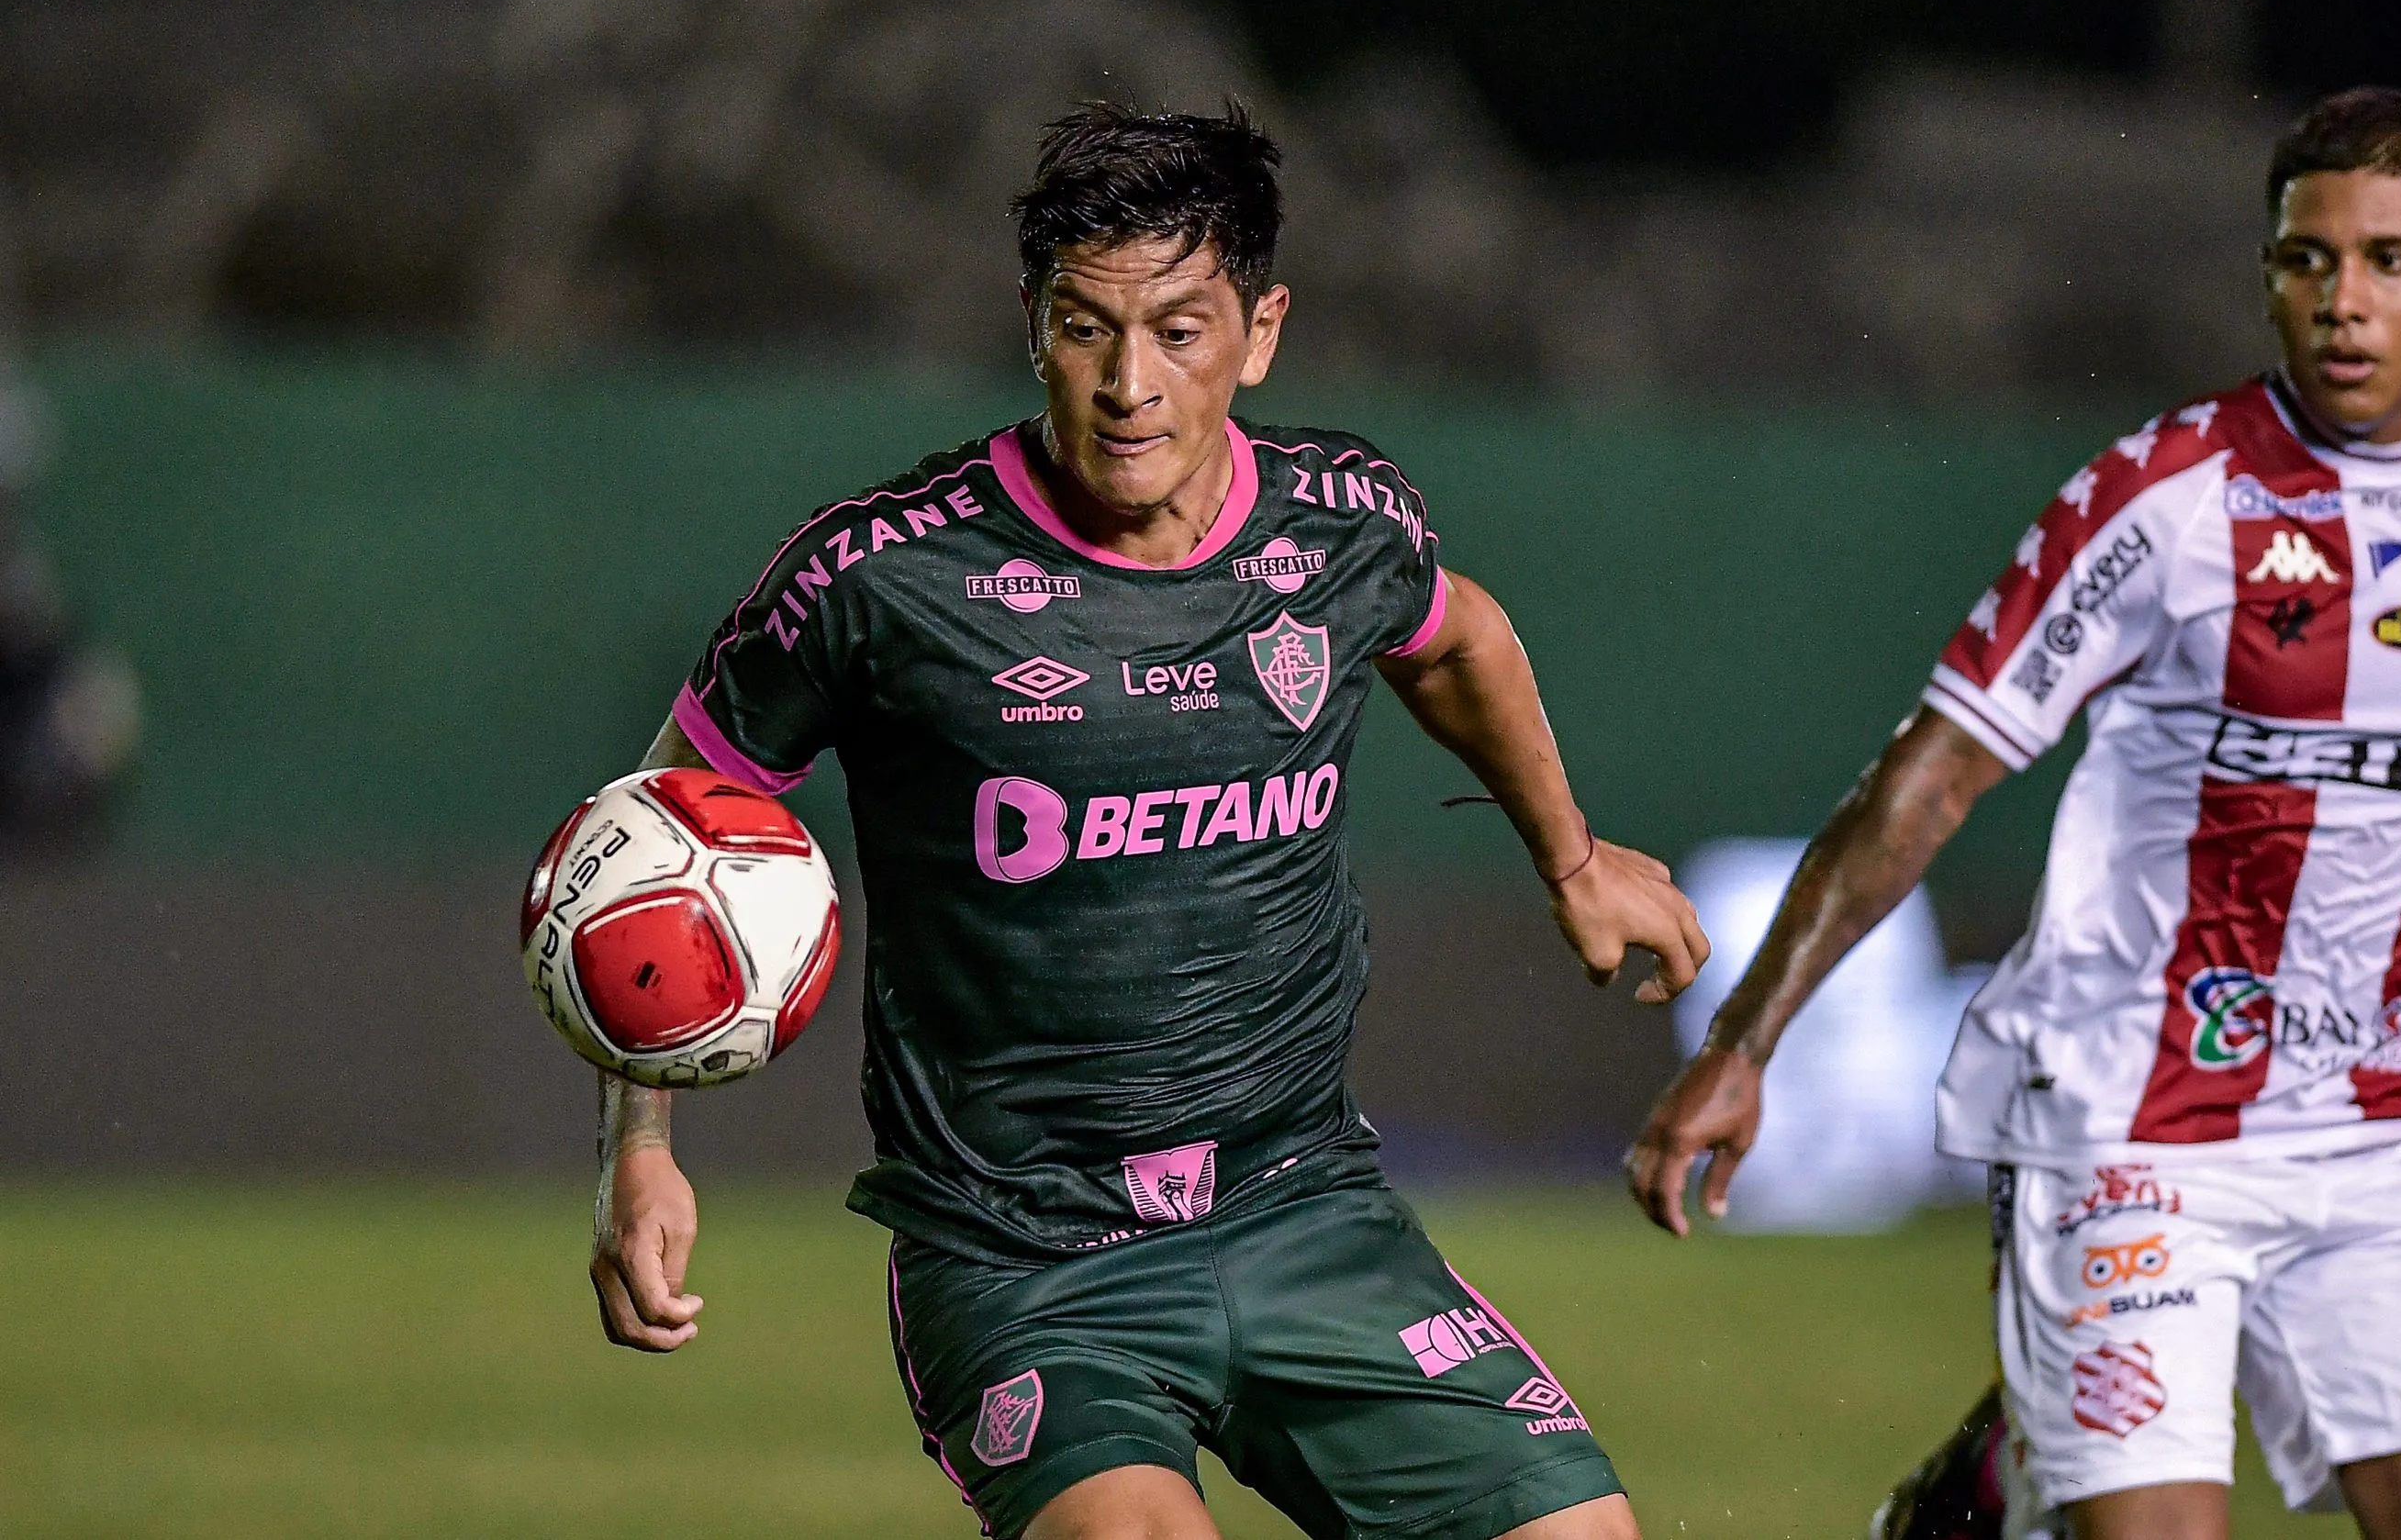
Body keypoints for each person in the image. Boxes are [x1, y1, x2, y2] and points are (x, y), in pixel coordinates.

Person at [586, 102, 1707, 1540]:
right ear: (1033, 324)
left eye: (1180, 333)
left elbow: (1455, 638)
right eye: (1086, 330)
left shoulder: (1342, 524)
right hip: (1026, 1264)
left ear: (1262, 331)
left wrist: (1572, 854)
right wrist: (639, 1144)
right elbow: (659, 841)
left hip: (1307, 1213)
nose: (1129, 385)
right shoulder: (878, 577)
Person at [1624, 87, 2401, 1540]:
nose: (2343, 301)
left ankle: (1996, 1485)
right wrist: (1745, 1042)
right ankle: (2003, 1494)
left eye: (2389, 259)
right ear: (2270, 276)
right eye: (2307, 261)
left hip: (2385, 1129)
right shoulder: (2169, 495)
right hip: (2129, 1117)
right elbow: (1935, 770)